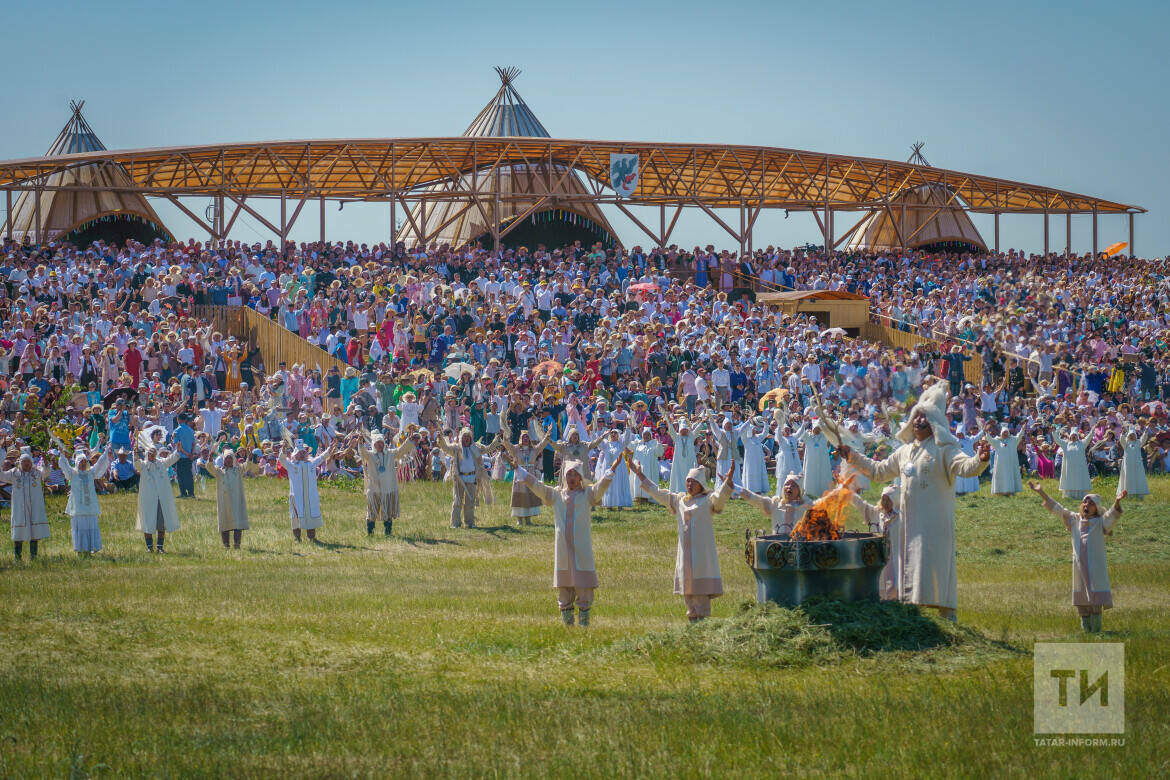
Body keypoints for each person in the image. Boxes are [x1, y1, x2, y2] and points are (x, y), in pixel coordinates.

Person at [838, 383, 990, 621]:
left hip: (936, 524)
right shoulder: (904, 451)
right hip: (910, 524)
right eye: (916, 416)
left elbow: (965, 467)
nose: (919, 421)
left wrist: (980, 459)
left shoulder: (944, 448)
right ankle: (914, 614)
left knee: (937, 565)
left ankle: (946, 616)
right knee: (913, 564)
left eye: (924, 417)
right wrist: (852, 456)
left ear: (935, 421)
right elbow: (878, 471)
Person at [513, 458, 616, 626]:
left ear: (580, 477)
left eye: (575, 474)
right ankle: (568, 626)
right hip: (563, 551)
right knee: (564, 589)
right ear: (564, 476)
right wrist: (520, 471)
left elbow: (601, 487)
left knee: (584, 587)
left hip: (581, 550)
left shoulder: (587, 495)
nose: (572, 477)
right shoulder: (556, 495)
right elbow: (538, 487)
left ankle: (584, 626)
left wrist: (612, 468)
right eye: (569, 474)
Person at [631, 460, 734, 621]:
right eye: (688, 481)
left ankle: (703, 621)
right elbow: (658, 493)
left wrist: (728, 482)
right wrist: (639, 474)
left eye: (693, 482)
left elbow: (720, 497)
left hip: (701, 554)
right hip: (685, 554)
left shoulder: (708, 500)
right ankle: (692, 618)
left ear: (701, 484)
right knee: (688, 588)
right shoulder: (680, 500)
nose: (690, 485)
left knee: (700, 588)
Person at [1028, 481, 1125, 633]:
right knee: (1082, 601)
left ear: (1096, 508)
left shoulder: (1100, 522)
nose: (1086, 505)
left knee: (1095, 599)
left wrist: (1117, 502)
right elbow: (1058, 508)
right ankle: (1086, 632)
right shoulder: (1074, 520)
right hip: (1079, 568)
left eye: (1091, 503)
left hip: (1095, 568)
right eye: (1085, 502)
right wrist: (1041, 492)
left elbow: (1111, 516)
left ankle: (1096, 631)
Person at [358, 430, 416, 535]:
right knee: (371, 511)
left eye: (381, 442)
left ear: (384, 443)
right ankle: (370, 532)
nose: (380, 445)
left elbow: (401, 450)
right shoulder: (370, 455)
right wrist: (360, 443)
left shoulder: (390, 453)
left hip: (387, 488)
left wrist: (409, 441)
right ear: (374, 444)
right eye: (377, 443)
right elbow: (362, 453)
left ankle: (388, 532)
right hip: (374, 488)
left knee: (387, 511)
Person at [435, 428, 494, 529]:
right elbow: (445, 448)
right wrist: (440, 439)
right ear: (461, 438)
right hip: (460, 478)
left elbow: (488, 449)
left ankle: (470, 523)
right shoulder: (456, 448)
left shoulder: (475, 448)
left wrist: (497, 439)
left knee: (470, 502)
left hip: (472, 478)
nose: (466, 439)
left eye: (468, 437)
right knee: (457, 501)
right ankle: (455, 523)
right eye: (464, 437)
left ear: (471, 438)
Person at [852, 485, 901, 601]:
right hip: (879, 555)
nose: (885, 503)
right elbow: (862, 505)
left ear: (895, 500)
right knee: (880, 578)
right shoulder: (877, 513)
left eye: (888, 500)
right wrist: (850, 495)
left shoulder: (901, 517)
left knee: (895, 578)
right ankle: (880, 599)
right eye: (883, 499)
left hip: (895, 555)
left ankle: (895, 600)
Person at [58, 445, 110, 554]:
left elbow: (100, 463)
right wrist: (62, 454)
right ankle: (80, 548)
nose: (83, 464)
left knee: (91, 525)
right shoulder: (73, 473)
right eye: (81, 462)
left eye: (84, 462)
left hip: (90, 507)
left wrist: (105, 453)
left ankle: (91, 547)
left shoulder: (90, 473)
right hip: (78, 507)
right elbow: (65, 466)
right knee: (80, 527)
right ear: (77, 463)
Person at [498, 422, 552, 524]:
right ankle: (519, 519)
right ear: (520, 439)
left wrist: (548, 434)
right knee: (520, 496)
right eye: (524, 437)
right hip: (520, 475)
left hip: (530, 475)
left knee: (529, 495)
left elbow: (543, 444)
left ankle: (528, 519)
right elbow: (507, 444)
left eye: (527, 437)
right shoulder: (515, 449)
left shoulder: (534, 449)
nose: (526, 439)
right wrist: (505, 433)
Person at [280, 440, 333, 541]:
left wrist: (329, 448)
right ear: (295, 454)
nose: (301, 454)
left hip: (310, 496)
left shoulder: (311, 464)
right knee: (296, 517)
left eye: (303, 452)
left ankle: (312, 537)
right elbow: (282, 460)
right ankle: (297, 537)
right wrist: (283, 449)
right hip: (296, 496)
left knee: (310, 514)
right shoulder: (291, 465)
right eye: (299, 453)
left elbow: (322, 457)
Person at [2, 452, 50, 560]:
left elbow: (46, 472)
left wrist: (45, 461)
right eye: (24, 461)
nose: (26, 464)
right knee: (19, 532)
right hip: (20, 508)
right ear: (20, 462)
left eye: (28, 461)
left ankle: (34, 557)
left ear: (31, 462)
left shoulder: (36, 472)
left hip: (34, 507)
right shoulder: (14, 473)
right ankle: (17, 558)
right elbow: (2, 476)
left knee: (34, 532)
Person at [134, 445, 182, 553]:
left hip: (161, 498)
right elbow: (136, 464)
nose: (152, 455)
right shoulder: (143, 465)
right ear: (147, 454)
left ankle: (160, 547)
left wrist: (177, 451)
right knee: (147, 522)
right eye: (150, 453)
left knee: (161, 524)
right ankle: (149, 547)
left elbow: (171, 459)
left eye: (154, 452)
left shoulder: (161, 463)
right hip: (148, 499)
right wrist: (135, 455)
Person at [740, 473, 815, 537]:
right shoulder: (775, 504)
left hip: (799, 545)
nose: (789, 487)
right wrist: (735, 488)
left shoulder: (806, 507)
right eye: (787, 484)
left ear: (799, 490)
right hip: (777, 545)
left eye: (794, 485)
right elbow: (755, 499)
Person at [205, 449, 249, 549]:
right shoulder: (219, 471)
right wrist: (210, 458)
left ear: (233, 459)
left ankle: (237, 544)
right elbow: (210, 467)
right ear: (224, 460)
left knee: (237, 523)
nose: (228, 460)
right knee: (225, 523)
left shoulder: (238, 470)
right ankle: (226, 545)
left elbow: (247, 465)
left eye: (230, 458)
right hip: (224, 502)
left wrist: (249, 456)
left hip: (236, 501)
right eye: (226, 458)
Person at [986, 423, 1026, 496]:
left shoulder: (1013, 440)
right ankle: (1000, 491)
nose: (1005, 434)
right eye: (1004, 432)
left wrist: (1022, 429)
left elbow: (1020, 436)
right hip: (1000, 465)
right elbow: (989, 440)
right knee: (1001, 476)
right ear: (1001, 433)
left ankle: (1011, 491)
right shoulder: (997, 441)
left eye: (1006, 432)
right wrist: (987, 433)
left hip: (1010, 464)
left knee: (1010, 476)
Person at [1055, 427, 1093, 500]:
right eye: (1072, 435)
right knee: (1069, 480)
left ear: (1077, 436)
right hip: (1069, 468)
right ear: (1070, 436)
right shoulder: (1065, 444)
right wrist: (1054, 432)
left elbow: (1089, 437)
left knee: (1079, 480)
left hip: (1079, 468)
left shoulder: (1082, 443)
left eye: (1075, 435)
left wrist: (1092, 430)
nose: (1073, 437)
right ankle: (1069, 496)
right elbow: (1057, 440)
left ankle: (1080, 495)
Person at [665, 415, 700, 492]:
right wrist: (668, 421)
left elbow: (697, 430)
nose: (684, 431)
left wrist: (702, 422)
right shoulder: (677, 437)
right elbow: (671, 430)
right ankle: (679, 490)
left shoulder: (691, 437)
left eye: (685, 430)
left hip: (689, 462)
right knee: (679, 477)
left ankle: (691, 490)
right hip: (679, 463)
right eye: (682, 430)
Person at [630, 428, 664, 503]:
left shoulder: (654, 443)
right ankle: (638, 497)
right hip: (639, 467)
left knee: (648, 480)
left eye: (648, 435)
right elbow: (628, 445)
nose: (646, 436)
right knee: (638, 480)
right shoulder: (638, 443)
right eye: (645, 434)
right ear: (642, 435)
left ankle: (648, 497)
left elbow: (660, 453)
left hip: (650, 468)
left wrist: (659, 443)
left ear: (651, 436)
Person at [1118, 428, 1149, 500]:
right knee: (1128, 478)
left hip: (1137, 464)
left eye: (1133, 435)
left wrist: (1145, 433)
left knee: (1138, 478)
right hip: (1128, 465)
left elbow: (1143, 439)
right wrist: (1122, 434)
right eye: (1130, 435)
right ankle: (1128, 494)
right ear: (1128, 435)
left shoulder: (1138, 442)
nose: (1132, 436)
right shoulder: (1126, 443)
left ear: (1135, 435)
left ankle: (1139, 494)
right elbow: (1122, 440)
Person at [172, 413, 197, 498]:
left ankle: (183, 493)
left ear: (178, 419)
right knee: (189, 475)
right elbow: (193, 443)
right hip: (189, 456)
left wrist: (186, 453)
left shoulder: (176, 431)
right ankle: (191, 493)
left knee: (181, 476)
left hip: (181, 456)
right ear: (186, 420)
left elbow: (178, 445)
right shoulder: (191, 430)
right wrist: (191, 454)